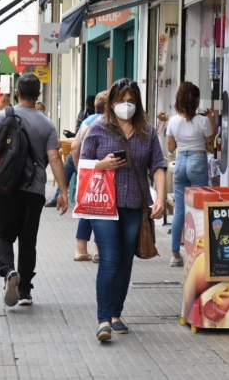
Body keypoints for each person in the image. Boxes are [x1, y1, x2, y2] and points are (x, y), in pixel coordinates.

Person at [80, 78, 166, 341]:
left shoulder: (147, 131)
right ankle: (103, 320)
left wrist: (160, 198)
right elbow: (82, 162)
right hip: (103, 205)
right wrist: (101, 165)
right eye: (121, 101)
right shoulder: (98, 128)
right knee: (109, 259)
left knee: (125, 262)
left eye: (131, 101)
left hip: (134, 205)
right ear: (111, 102)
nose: (126, 105)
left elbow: (158, 165)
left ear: (137, 102)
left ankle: (116, 314)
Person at [0, 74, 69, 308]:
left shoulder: (4, 115)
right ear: (38, 94)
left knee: (2, 234)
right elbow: (54, 159)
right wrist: (63, 191)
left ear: (17, 93)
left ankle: (9, 271)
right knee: (28, 240)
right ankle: (25, 290)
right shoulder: (47, 123)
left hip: (6, 187)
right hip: (34, 190)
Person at [166, 81, 213, 267]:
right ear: (196, 100)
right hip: (198, 161)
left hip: (180, 163)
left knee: (179, 210)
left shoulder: (172, 121)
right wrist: (212, 121)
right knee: (199, 207)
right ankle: (198, 253)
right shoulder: (203, 121)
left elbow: (171, 148)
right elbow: (211, 147)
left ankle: (175, 254)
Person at [68, 91, 108, 262]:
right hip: (104, 171)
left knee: (87, 208)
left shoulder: (87, 121)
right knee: (103, 209)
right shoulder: (106, 122)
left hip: (87, 170)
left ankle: (81, 249)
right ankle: (99, 250)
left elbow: (74, 147)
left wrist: (80, 169)